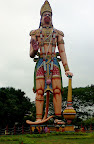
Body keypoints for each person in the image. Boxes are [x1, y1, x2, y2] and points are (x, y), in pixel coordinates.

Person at [29, 0, 73, 124]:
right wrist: (35, 49)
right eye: (45, 14)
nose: (47, 16)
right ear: (41, 17)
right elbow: (31, 54)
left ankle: (57, 118)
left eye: (49, 14)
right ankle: (38, 118)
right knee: (39, 91)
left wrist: (66, 68)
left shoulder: (58, 34)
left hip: (54, 62)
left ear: (52, 17)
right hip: (41, 63)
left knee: (57, 90)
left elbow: (62, 52)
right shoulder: (35, 33)